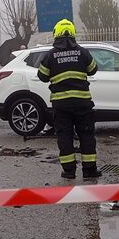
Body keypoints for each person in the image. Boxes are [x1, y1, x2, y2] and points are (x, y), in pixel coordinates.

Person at [37, 19, 99, 180]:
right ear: (72, 33)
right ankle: (89, 171)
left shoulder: (50, 55)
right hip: (82, 103)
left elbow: (42, 76)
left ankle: (69, 171)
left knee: (65, 137)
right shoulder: (83, 52)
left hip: (61, 104)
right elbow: (93, 70)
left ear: (56, 34)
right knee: (86, 136)